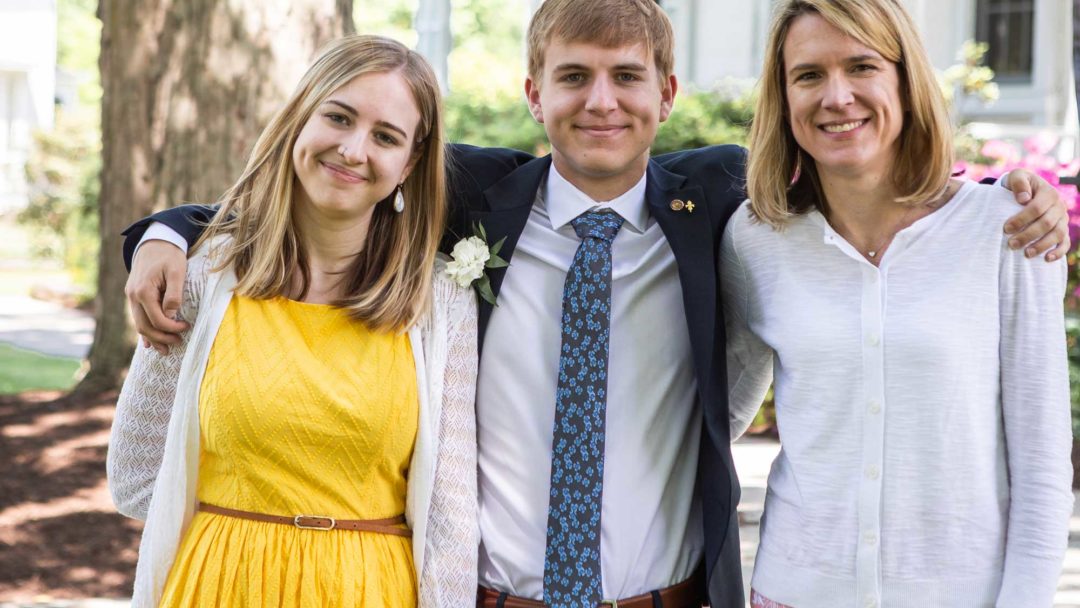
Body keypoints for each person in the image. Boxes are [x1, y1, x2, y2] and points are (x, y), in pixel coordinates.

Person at [119, 2, 1072, 606]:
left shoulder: (730, 211)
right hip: (493, 596)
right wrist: (165, 235)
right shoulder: (467, 201)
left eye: (626, 78)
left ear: (667, 91)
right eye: (573, 76)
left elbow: (864, 177)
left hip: (669, 596)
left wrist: (1006, 199)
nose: (600, 102)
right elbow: (321, 177)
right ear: (534, 90)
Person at [106, 35, 479, 608]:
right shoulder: (204, 277)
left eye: (386, 137)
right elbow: (135, 476)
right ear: (298, 119)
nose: (354, 150)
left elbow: (450, 520)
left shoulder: (442, 302)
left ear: (408, 165)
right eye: (338, 116)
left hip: (368, 590)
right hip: (220, 585)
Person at [722, 1, 1073, 606]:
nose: (836, 97)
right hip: (795, 588)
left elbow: (1042, 467)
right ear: (783, 98)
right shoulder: (755, 238)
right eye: (808, 75)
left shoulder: (1007, 231)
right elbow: (718, 414)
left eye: (862, 66)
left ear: (906, 83)